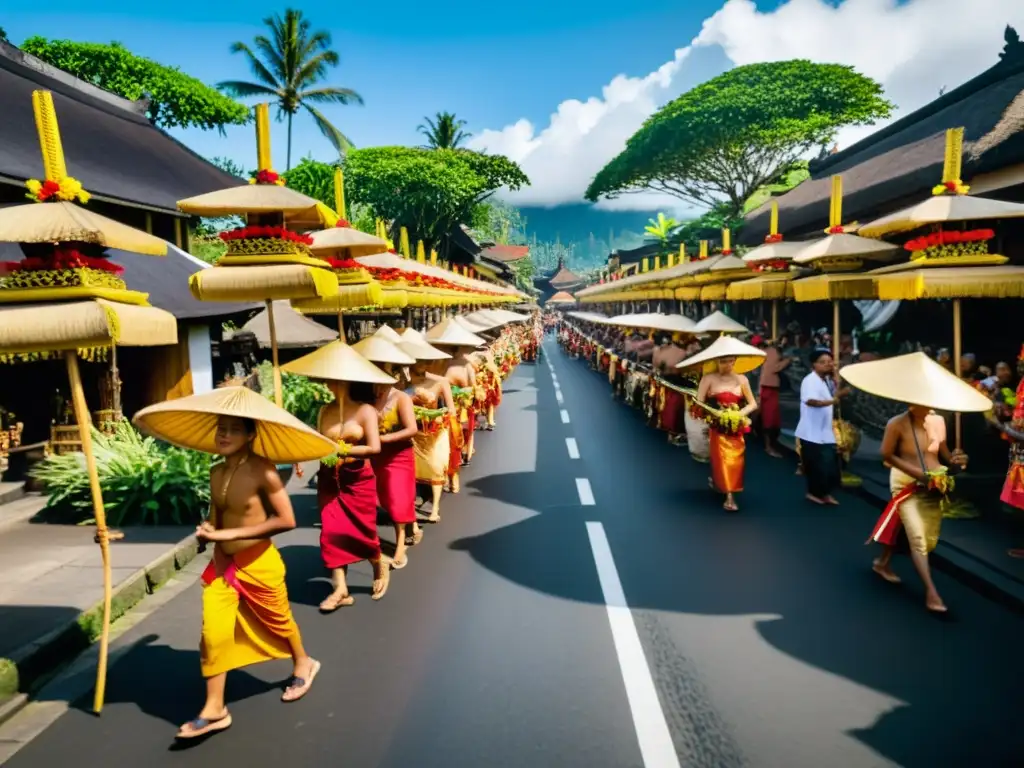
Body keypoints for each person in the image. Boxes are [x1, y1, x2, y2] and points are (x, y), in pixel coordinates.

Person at [180, 415, 319, 739]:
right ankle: (215, 709)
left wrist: (228, 532)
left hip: (259, 563)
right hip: (222, 566)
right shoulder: (216, 472)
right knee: (213, 633)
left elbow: (286, 520)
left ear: (250, 434)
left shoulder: (263, 470)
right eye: (221, 428)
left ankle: (303, 662)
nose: (225, 435)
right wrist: (208, 532)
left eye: (234, 429)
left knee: (279, 621)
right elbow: (217, 519)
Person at [868, 407, 967, 612]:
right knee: (918, 537)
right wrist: (915, 472)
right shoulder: (897, 423)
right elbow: (886, 454)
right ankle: (932, 593)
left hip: (934, 483)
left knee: (915, 531)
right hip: (905, 481)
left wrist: (958, 462)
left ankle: (882, 562)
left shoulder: (938, 421)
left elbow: (946, 457)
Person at [317, 380, 389, 611]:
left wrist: (344, 449)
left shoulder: (366, 411)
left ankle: (378, 561)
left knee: (363, 529)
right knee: (331, 531)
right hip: (330, 477)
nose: (329, 384)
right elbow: (319, 443)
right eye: (328, 380)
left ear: (347, 381)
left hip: (357, 477)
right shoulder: (324, 411)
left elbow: (374, 447)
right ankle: (340, 589)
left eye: (334, 381)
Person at [371, 365, 420, 569]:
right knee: (382, 498)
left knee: (398, 499)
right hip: (377, 455)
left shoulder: (401, 398)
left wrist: (386, 438)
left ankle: (400, 543)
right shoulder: (368, 399)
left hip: (399, 455)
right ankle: (409, 526)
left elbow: (412, 429)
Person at [696, 355, 758, 512]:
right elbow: (699, 402)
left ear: (735, 361)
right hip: (718, 426)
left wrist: (738, 414)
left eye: (731, 360)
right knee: (722, 459)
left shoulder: (742, 379)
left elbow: (753, 404)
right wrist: (716, 414)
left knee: (737, 460)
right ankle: (729, 496)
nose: (727, 364)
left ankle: (726, 485)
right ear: (716, 361)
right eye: (723, 361)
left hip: (736, 426)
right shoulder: (708, 379)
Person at [796, 349, 848, 505]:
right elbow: (811, 401)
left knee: (831, 466)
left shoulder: (827, 380)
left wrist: (839, 389)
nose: (828, 365)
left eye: (830, 362)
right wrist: (833, 401)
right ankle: (814, 493)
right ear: (814, 365)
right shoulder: (809, 380)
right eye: (823, 362)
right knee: (816, 466)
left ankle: (825, 493)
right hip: (810, 431)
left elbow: (834, 396)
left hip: (825, 431)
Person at [760, 335, 793, 458]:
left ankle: (769, 444)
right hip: (769, 386)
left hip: (768, 386)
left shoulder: (769, 351)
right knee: (770, 418)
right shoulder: (772, 352)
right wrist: (787, 361)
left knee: (770, 417)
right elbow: (774, 368)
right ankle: (769, 446)